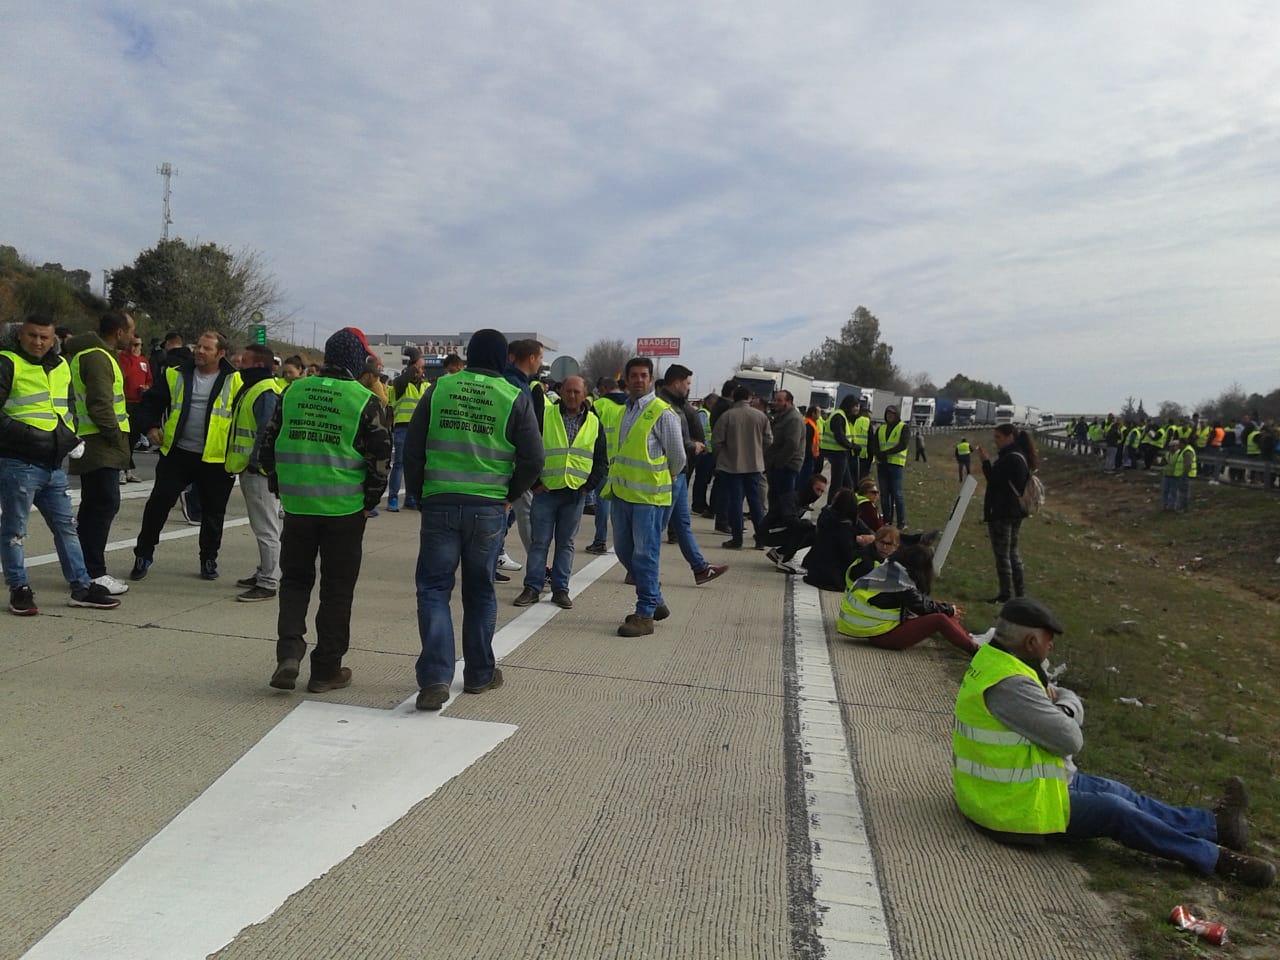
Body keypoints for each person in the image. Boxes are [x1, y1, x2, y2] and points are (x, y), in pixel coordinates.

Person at [953, 597, 1275, 887]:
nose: (1051, 647)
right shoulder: (1011, 683)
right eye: (1049, 640)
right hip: (1011, 809)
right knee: (1116, 811)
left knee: (1118, 791)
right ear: (1031, 640)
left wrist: (1059, 704)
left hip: (1004, 792)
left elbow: (1051, 713)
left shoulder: (994, 662)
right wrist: (1068, 703)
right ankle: (1216, 859)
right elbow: (1070, 739)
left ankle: (1217, 826)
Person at [404, 329, 543, 710]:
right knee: (480, 589)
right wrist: (509, 494)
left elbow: (414, 448)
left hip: (440, 503)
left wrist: (420, 493)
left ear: (469, 355)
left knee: (433, 589)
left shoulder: (440, 388)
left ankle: (434, 677)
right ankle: (480, 674)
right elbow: (533, 458)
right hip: (487, 508)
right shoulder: (514, 395)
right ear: (503, 358)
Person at [261, 328, 390, 693]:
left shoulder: (294, 391)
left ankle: (288, 652)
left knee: (295, 581)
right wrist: (368, 503)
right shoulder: (365, 400)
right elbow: (380, 458)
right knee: (336, 590)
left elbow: (267, 445)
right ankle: (325, 669)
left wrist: (278, 484)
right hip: (344, 512)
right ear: (355, 360)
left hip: (299, 507)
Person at [1, 315, 121, 614]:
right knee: (15, 530)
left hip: (54, 463)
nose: (38, 342)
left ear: (53, 339)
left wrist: (70, 437)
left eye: (44, 337)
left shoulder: (60, 365)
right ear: (21, 335)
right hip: (19, 461)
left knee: (66, 527)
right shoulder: (7, 362)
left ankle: (81, 586)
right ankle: (19, 588)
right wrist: (32, 437)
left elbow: (67, 408)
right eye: (32, 336)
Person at [130, 330, 242, 582]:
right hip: (178, 454)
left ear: (221, 354)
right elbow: (151, 402)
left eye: (207, 348)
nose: (199, 351)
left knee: (213, 513)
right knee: (158, 505)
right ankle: (143, 554)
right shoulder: (176, 373)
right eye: (198, 347)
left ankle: (208, 559)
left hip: (215, 459)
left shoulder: (234, 381)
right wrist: (150, 427)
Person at [605, 357, 685, 637]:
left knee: (644, 553)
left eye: (644, 375)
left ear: (651, 379)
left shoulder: (661, 412)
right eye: (634, 375)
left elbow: (678, 456)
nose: (638, 379)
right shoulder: (622, 411)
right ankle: (656, 599)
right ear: (626, 379)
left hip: (648, 497)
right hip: (621, 494)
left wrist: (670, 476)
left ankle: (645, 613)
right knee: (625, 551)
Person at [514, 375, 608, 608]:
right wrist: (534, 483)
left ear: (584, 393)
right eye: (568, 391)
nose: (572, 395)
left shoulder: (594, 423)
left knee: (566, 544)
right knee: (539, 542)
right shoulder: (545, 416)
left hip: (575, 495)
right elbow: (529, 451)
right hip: (546, 492)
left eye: (577, 391)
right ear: (561, 392)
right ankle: (532, 588)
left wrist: (588, 487)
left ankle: (560, 590)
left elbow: (601, 461)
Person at [65, 310, 136, 595]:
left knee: (95, 506)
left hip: (95, 440)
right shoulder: (97, 357)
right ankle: (94, 572)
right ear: (119, 331)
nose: (133, 337)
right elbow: (100, 404)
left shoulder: (95, 354)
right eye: (131, 331)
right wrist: (117, 438)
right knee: (103, 505)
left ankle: (82, 568)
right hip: (99, 442)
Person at [658, 365, 728, 586]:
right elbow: (671, 438)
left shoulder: (678, 405)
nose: (689, 387)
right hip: (669, 474)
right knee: (656, 526)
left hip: (678, 472)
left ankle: (700, 568)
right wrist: (693, 446)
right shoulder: (664, 405)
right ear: (677, 382)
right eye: (687, 383)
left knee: (682, 524)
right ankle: (637, 569)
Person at [837, 543, 978, 654]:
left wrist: (947, 609)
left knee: (941, 607)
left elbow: (919, 603)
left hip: (870, 627)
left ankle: (968, 638)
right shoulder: (900, 582)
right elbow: (921, 606)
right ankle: (975, 650)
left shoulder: (892, 568)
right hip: (879, 634)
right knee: (940, 619)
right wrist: (949, 610)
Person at [225, 343, 283, 602]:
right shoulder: (257, 388)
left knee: (266, 528)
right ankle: (264, 573)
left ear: (258, 365)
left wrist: (257, 463)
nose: (239, 364)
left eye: (244, 361)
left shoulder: (265, 391)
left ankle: (269, 581)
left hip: (258, 471)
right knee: (264, 525)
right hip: (252, 468)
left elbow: (266, 432)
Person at [975, 424, 1035, 603]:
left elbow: (994, 480)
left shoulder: (1010, 458)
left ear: (1010, 437)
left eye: (998, 437)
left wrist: (985, 462)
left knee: (1003, 554)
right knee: (1012, 553)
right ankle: (1019, 594)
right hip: (1015, 511)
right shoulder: (1020, 456)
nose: (996, 441)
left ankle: (1006, 594)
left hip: (1003, 511)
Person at [501, 338, 546, 565]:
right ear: (530, 358)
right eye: (539, 357)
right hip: (514, 461)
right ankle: (539, 565)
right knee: (525, 512)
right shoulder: (517, 386)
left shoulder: (514, 381)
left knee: (510, 512)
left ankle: (495, 556)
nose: (540, 362)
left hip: (506, 460)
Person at [711, 386, 771, 549]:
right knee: (756, 502)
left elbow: (716, 442)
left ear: (734, 398)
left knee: (735, 502)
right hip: (754, 466)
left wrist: (722, 457)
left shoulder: (727, 416)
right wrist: (758, 452)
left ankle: (737, 539)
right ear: (749, 398)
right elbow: (768, 440)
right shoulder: (761, 416)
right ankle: (760, 539)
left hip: (732, 467)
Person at [802, 489, 874, 592]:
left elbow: (865, 529)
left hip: (814, 569)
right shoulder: (843, 527)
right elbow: (848, 555)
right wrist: (860, 541)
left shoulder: (827, 515)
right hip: (830, 576)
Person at [585, 377, 627, 554]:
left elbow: (589, 431)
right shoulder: (631, 405)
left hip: (603, 461)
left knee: (602, 502)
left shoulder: (600, 404)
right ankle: (623, 544)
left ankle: (600, 541)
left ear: (604, 388)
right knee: (623, 505)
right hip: (626, 463)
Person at [761, 473, 829, 573]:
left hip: (778, 530)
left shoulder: (804, 501)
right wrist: (806, 525)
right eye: (817, 489)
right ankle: (786, 560)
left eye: (821, 492)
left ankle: (780, 553)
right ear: (810, 487)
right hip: (768, 532)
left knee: (816, 534)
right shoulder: (792, 498)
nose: (818, 494)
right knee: (803, 527)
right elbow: (789, 520)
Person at [387, 347, 427, 511]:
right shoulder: (400, 385)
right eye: (419, 368)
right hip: (403, 428)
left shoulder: (426, 386)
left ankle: (410, 497)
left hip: (419, 430)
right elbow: (403, 379)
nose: (420, 371)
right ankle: (393, 498)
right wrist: (415, 364)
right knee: (400, 464)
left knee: (416, 464)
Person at [116, 330, 151, 481]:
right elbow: (123, 375)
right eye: (132, 345)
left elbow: (150, 379)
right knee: (123, 438)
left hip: (138, 403)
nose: (135, 348)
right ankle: (120, 470)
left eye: (138, 345)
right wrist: (131, 358)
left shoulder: (144, 361)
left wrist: (147, 387)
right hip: (125, 403)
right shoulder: (123, 359)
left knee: (133, 438)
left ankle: (128, 469)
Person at [765, 389, 805, 512]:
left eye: (779, 400)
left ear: (788, 402)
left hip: (786, 467)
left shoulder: (793, 419)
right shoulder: (781, 417)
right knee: (774, 499)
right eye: (775, 399)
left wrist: (778, 463)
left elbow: (792, 444)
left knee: (783, 501)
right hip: (778, 466)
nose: (775, 403)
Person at [872, 405, 910, 528]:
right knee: (884, 494)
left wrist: (886, 453)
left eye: (892, 414)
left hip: (896, 464)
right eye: (888, 413)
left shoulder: (903, 427)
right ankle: (887, 520)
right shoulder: (881, 428)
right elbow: (875, 443)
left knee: (897, 494)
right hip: (882, 464)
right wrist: (878, 453)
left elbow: (903, 444)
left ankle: (901, 522)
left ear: (897, 415)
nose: (889, 416)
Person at [818, 395, 858, 503]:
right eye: (855, 406)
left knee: (847, 484)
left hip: (839, 453)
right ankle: (831, 506)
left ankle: (843, 506)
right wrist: (852, 446)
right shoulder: (838, 416)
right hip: (837, 453)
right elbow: (839, 437)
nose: (857, 409)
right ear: (849, 406)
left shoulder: (841, 415)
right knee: (837, 484)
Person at [1162, 435, 1196, 512]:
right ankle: (1172, 506)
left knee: (1182, 493)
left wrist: (1184, 474)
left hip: (1184, 475)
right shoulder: (1182, 451)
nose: (1178, 446)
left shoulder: (1187, 451)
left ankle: (1182, 508)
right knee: (1172, 491)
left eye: (1179, 444)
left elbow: (1188, 464)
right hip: (1173, 475)